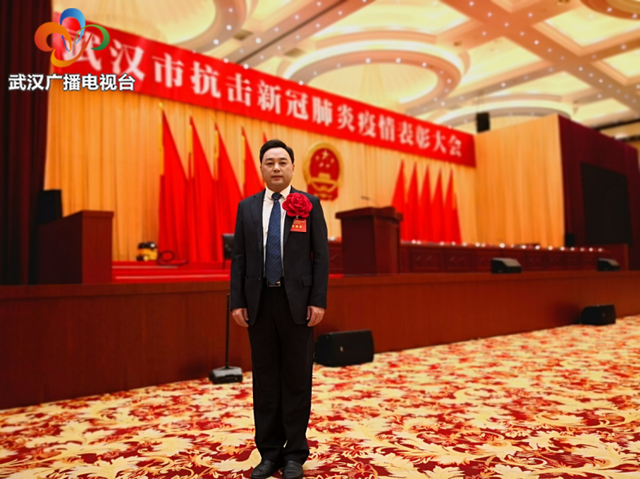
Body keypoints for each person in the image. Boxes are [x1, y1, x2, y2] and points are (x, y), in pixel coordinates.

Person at [230, 139, 329, 479]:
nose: (276, 167)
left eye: (282, 162)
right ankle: (269, 453)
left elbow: (321, 256)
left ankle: (295, 454)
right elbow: (239, 258)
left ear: (292, 167)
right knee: (265, 379)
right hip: (259, 303)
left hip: (297, 304)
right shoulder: (246, 207)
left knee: (297, 378)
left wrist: (318, 299)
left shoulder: (309, 204)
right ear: (261, 168)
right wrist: (238, 301)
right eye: (269, 162)